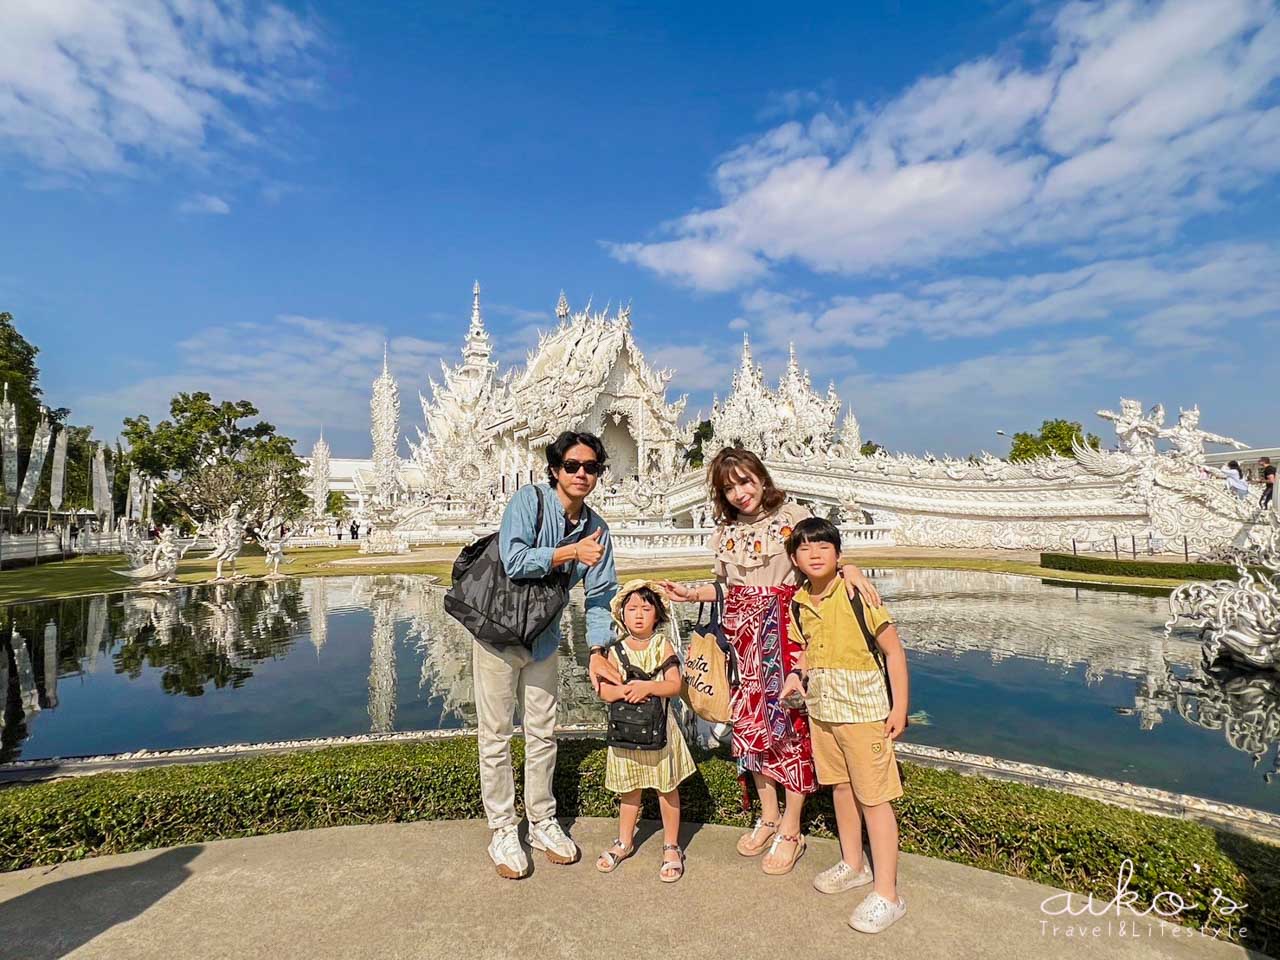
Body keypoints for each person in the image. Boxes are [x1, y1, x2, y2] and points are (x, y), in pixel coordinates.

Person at [659, 447, 881, 875]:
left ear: (761, 477)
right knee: (750, 726)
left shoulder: (792, 517)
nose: (741, 493)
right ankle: (768, 814)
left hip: (787, 633)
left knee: (790, 728)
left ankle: (792, 830)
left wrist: (850, 569)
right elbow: (725, 588)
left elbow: (823, 557)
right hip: (742, 639)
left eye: (745, 481)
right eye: (730, 487)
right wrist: (690, 594)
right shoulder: (724, 533)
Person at [478, 430, 618, 879]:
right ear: (556, 469)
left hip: (543, 638)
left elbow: (600, 596)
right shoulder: (529, 501)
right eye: (573, 466)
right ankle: (502, 827)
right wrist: (569, 552)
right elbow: (513, 560)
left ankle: (541, 819)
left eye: (591, 467)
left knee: (542, 732)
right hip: (499, 635)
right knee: (497, 734)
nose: (582, 474)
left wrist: (598, 648)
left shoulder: (598, 529)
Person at [782, 517, 909, 934]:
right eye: (805, 548)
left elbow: (893, 652)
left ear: (838, 554)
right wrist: (795, 676)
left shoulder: (857, 592)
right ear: (795, 559)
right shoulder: (800, 602)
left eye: (823, 546)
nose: (814, 554)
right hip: (824, 711)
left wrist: (899, 708)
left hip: (865, 711)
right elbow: (805, 651)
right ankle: (854, 863)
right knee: (840, 789)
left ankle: (888, 893)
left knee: (874, 800)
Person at [595, 581, 694, 882]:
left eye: (646, 609)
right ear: (622, 615)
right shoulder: (614, 650)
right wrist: (624, 691)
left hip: (661, 731)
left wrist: (648, 687)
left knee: (667, 790)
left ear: (658, 614)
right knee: (629, 791)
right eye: (632, 609)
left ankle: (671, 846)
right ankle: (625, 841)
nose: (638, 615)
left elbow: (675, 684)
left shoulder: (662, 645)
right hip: (627, 733)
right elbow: (603, 691)